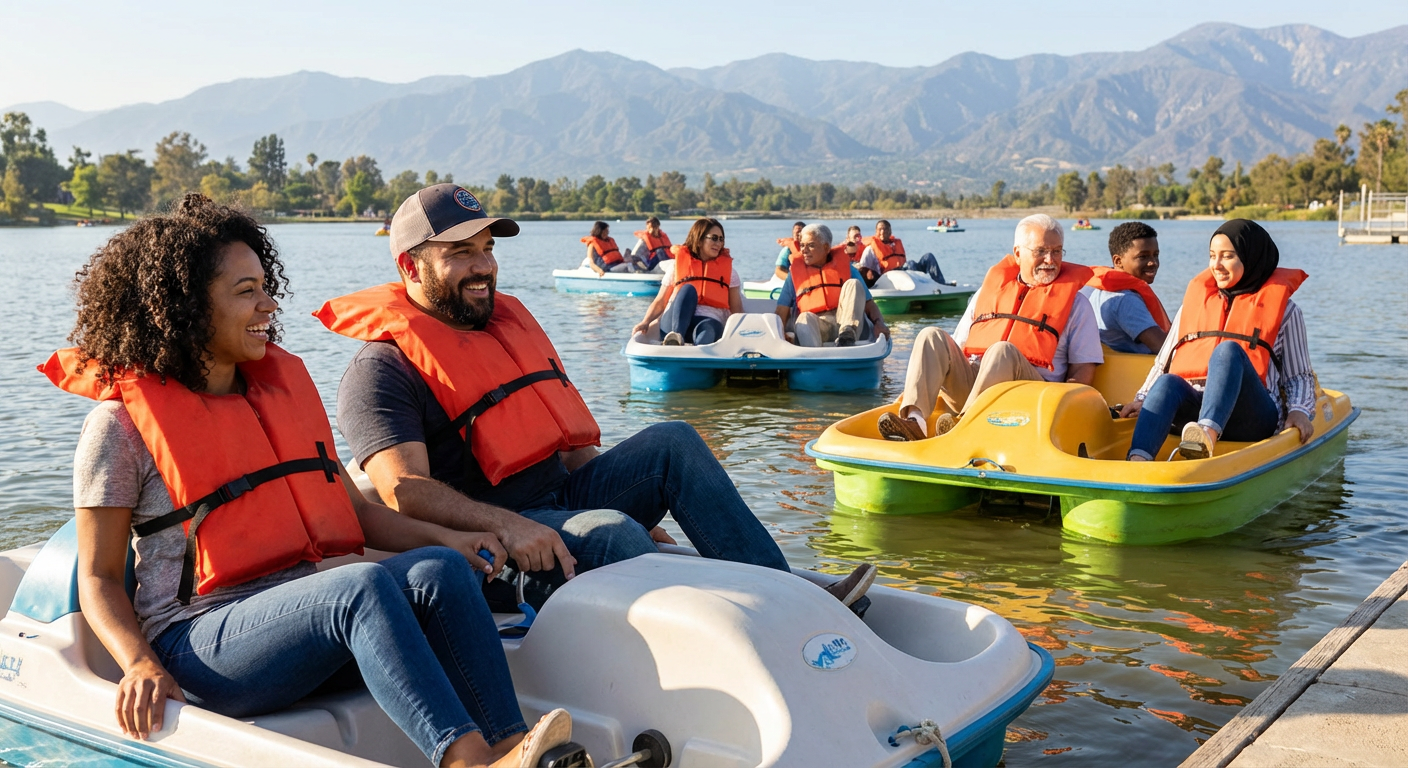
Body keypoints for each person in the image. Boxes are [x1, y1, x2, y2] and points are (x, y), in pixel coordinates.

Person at [49, 194, 574, 768]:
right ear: (184, 308)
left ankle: (507, 744)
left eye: (264, 287)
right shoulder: (118, 427)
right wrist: (139, 663)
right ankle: (470, 763)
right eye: (246, 292)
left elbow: (357, 515)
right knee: (358, 588)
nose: (269, 305)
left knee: (441, 571)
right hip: (199, 645)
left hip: (298, 629)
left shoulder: (283, 397)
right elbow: (99, 577)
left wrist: (450, 540)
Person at [318, 184, 877, 615]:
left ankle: (787, 596)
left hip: (564, 496)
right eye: (460, 253)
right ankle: (732, 628)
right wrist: (512, 527)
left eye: (486, 249)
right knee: (612, 531)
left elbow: (565, 441)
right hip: (499, 540)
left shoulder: (501, 330)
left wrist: (638, 491)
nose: (484, 265)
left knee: (673, 443)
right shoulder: (381, 370)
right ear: (411, 265)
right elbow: (403, 493)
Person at [877, 214, 1103, 441]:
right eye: (1041, 251)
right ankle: (915, 422)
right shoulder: (989, 292)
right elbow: (956, 346)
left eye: (1056, 251)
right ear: (1017, 253)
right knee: (930, 335)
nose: (1050, 260)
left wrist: (1063, 407)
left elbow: (1084, 369)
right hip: (973, 386)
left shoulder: (1077, 305)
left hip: (1033, 399)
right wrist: (917, 383)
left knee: (1001, 350)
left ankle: (964, 428)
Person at [1120, 220, 1315, 461]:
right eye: (1212, 256)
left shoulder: (1286, 311)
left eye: (1227, 256)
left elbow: (1299, 375)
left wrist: (1299, 410)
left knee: (1228, 351)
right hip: (1194, 410)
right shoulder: (1193, 306)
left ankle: (1205, 437)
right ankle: (1138, 461)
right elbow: (1164, 362)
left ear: (1250, 256)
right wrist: (1143, 399)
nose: (1217, 265)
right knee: (1169, 382)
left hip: (1251, 417)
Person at [775, 223, 889, 348]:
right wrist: (779, 336)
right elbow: (782, 310)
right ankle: (814, 359)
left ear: (826, 248)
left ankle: (847, 335)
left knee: (853, 283)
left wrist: (879, 324)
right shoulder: (794, 275)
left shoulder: (849, 270)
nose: (804, 250)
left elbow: (870, 304)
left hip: (847, 323)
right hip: (817, 326)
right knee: (804, 318)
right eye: (802, 245)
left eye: (811, 245)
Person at [632, 218, 742, 346]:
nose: (718, 243)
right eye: (714, 238)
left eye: (721, 239)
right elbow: (660, 301)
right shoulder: (676, 267)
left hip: (708, 321)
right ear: (699, 239)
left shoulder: (730, 273)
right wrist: (645, 321)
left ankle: (696, 354)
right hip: (672, 325)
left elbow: (737, 310)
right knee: (688, 289)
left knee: (707, 331)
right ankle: (675, 339)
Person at [1081, 221, 1170, 354]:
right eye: (1143, 257)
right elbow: (1165, 350)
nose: (1153, 262)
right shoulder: (1126, 300)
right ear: (1118, 261)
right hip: (1138, 371)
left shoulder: (1091, 287)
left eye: (1155, 255)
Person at [862, 220, 949, 284]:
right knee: (910, 263)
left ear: (890, 231)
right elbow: (863, 268)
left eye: (885, 229)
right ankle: (920, 287)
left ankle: (941, 284)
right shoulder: (871, 249)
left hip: (905, 271)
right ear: (876, 231)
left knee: (928, 256)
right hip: (890, 277)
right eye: (880, 229)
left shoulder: (896, 244)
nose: (883, 232)